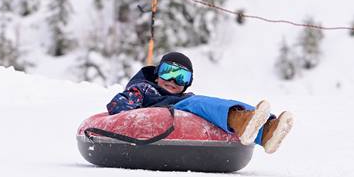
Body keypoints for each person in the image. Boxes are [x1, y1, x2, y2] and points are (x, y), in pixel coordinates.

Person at [106, 52, 294, 153]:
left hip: (180, 105)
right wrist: (129, 104)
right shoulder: (143, 89)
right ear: (156, 75)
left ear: (187, 83)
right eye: (168, 72)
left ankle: (266, 129)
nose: (172, 80)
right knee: (199, 104)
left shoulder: (184, 96)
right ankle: (242, 121)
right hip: (162, 110)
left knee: (216, 103)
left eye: (181, 77)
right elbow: (118, 107)